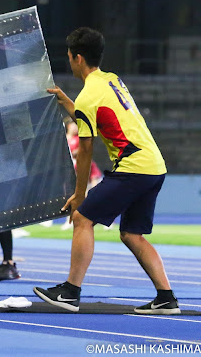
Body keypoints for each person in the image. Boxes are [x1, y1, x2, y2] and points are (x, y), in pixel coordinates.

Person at [33, 27, 179, 315]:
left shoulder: (88, 97)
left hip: (133, 168)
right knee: (132, 234)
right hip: (154, 165)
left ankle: (70, 292)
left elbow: (85, 151)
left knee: (82, 218)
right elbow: (97, 115)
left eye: (69, 56)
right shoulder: (112, 80)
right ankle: (166, 298)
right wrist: (68, 103)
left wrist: (79, 195)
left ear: (77, 58)